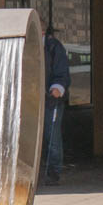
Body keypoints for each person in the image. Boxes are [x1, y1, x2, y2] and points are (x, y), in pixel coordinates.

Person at [43, 26, 71, 186]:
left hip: (50, 99)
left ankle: (53, 173)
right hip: (32, 97)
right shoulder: (24, 45)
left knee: (51, 135)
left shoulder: (54, 46)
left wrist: (57, 89)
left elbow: (62, 72)